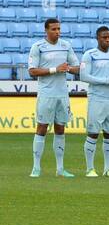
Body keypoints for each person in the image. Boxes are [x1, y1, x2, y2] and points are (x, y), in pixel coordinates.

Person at [29, 18, 81, 177]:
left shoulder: (66, 46)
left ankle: (60, 169)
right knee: (42, 128)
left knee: (60, 128)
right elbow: (32, 71)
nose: (57, 32)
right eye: (54, 29)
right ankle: (36, 167)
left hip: (62, 94)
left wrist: (69, 68)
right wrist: (55, 69)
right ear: (46, 30)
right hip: (46, 94)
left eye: (58, 29)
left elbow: (77, 67)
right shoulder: (38, 47)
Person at [80, 26, 109, 178]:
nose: (107, 40)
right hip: (96, 98)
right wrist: (107, 80)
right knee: (93, 133)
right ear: (97, 38)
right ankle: (90, 169)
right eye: (104, 37)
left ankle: (108, 169)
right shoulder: (90, 55)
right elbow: (84, 76)